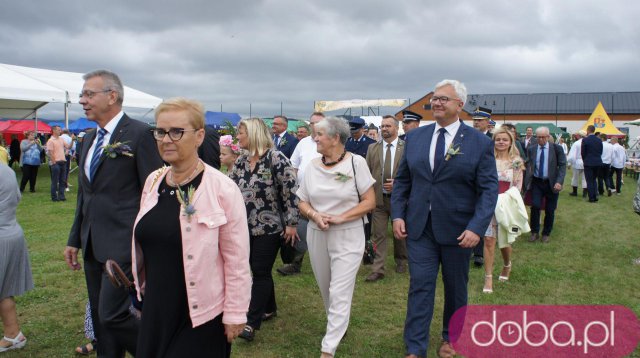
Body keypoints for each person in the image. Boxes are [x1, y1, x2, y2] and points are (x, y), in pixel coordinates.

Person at [131, 98, 251, 358]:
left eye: (176, 132)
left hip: (200, 313)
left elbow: (237, 258)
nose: (166, 139)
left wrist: (236, 311)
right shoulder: (153, 181)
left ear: (199, 136)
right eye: (160, 131)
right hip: (156, 308)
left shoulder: (222, 188)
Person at [392, 79, 497, 358]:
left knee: (455, 287)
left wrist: (477, 227)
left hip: (459, 231)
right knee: (420, 286)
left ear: (460, 105)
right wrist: (398, 215)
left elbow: (488, 190)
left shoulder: (478, 142)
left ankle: (451, 337)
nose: (436, 103)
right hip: (420, 228)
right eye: (435, 98)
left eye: (443, 99)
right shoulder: (415, 138)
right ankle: (415, 347)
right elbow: (403, 181)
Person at [64, 70, 163, 357]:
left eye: (88, 94)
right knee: (99, 315)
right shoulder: (88, 138)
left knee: (113, 314)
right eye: (82, 94)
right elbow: (86, 195)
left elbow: (152, 191)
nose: (82, 100)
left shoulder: (140, 134)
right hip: (93, 243)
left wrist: (146, 244)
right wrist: (75, 239)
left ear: (112, 96)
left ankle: (158, 349)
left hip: (125, 244)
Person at [297, 116, 376, 358]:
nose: (315, 138)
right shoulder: (311, 166)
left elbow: (370, 201)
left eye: (320, 134)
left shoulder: (357, 163)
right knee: (325, 288)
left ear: (335, 138)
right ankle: (338, 324)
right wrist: (314, 215)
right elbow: (302, 200)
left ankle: (328, 348)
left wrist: (342, 217)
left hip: (348, 234)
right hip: (317, 232)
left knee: (340, 289)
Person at [230, 118, 299, 342]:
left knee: (259, 271)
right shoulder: (241, 160)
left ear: (254, 134)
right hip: (243, 226)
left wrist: (291, 223)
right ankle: (270, 307)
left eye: (241, 133)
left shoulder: (276, 159)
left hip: (269, 227)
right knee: (257, 269)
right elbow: (230, 189)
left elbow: (290, 192)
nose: (237, 137)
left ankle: (251, 322)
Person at [277, 112, 325, 276]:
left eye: (318, 123)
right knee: (301, 227)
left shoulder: (329, 141)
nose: (315, 126)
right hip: (302, 192)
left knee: (322, 226)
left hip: (323, 193)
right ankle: (295, 262)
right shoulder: (303, 143)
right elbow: (294, 166)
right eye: (312, 123)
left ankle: (326, 260)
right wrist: (293, 189)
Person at [482, 126, 526, 293]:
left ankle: (507, 264)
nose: (501, 142)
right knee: (488, 240)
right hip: (488, 203)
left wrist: (507, 200)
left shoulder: (516, 162)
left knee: (504, 240)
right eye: (498, 139)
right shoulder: (487, 159)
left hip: (505, 203)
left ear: (510, 142)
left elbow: (517, 186)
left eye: (504, 140)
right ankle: (488, 278)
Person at [364, 115, 407, 282]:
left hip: (400, 199)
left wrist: (398, 184)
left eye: (388, 126)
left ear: (397, 128)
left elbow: (412, 172)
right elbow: (367, 173)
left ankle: (402, 261)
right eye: (382, 126)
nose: (384, 129)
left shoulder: (407, 147)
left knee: (400, 233)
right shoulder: (372, 148)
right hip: (378, 199)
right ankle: (378, 268)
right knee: (378, 234)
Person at [0, 164, 34, 353]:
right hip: (11, 231)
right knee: (4, 290)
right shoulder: (7, 170)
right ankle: (13, 334)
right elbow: (17, 197)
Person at [525, 126, 567, 243]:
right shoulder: (532, 149)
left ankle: (546, 233)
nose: (541, 140)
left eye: (543, 137)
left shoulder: (556, 149)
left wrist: (559, 182)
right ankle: (534, 232)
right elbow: (528, 162)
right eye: (538, 137)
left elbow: (563, 166)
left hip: (551, 182)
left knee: (550, 209)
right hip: (537, 182)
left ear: (548, 137)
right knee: (535, 206)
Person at [45, 125, 69, 201]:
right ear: (54, 130)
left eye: (60, 130)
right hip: (56, 163)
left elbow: (68, 146)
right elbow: (50, 152)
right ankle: (54, 197)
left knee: (63, 181)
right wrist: (54, 163)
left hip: (63, 162)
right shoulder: (50, 140)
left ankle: (61, 196)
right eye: (59, 130)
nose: (60, 131)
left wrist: (72, 140)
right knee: (55, 181)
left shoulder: (61, 139)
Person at [581, 125, 603, 203]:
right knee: (594, 179)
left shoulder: (585, 140)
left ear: (588, 130)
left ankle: (592, 197)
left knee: (589, 180)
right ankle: (595, 195)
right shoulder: (599, 140)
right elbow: (601, 151)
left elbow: (583, 152)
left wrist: (585, 160)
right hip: (597, 162)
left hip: (589, 162)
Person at [567, 130, 588, 197]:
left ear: (579, 136)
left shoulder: (576, 143)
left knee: (575, 177)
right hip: (585, 162)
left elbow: (572, 155)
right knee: (584, 178)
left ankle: (575, 192)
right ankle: (585, 193)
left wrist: (569, 163)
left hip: (577, 162)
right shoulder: (587, 143)